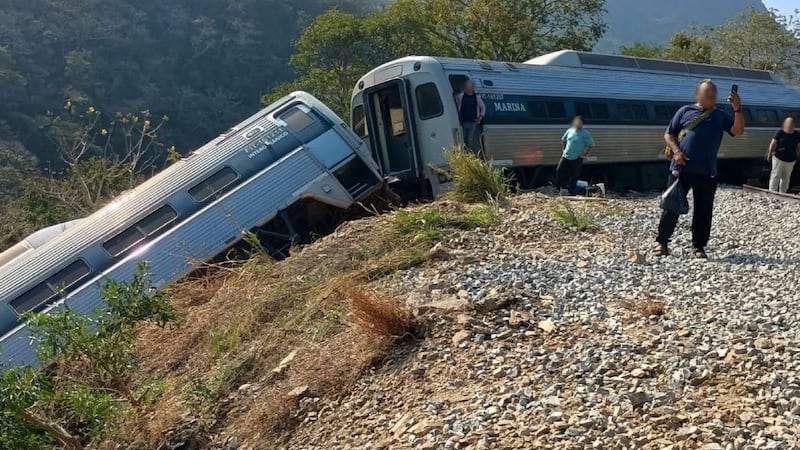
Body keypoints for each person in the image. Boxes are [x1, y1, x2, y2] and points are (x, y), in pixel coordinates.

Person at [654, 79, 745, 259]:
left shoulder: (720, 116)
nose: (712, 94)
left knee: (704, 210)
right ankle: (662, 243)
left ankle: (699, 246)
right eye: (707, 91)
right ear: (698, 94)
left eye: (714, 92)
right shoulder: (685, 111)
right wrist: (677, 151)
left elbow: (738, 130)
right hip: (681, 168)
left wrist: (737, 109)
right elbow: (669, 134)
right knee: (671, 206)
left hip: (707, 171)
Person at [557, 115, 595, 195]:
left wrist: (586, 154)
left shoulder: (585, 134)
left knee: (574, 175)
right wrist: (564, 150)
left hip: (577, 158)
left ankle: (571, 191)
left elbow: (591, 145)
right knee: (560, 171)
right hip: (566, 156)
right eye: (577, 122)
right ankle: (562, 188)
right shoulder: (570, 130)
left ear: (583, 124)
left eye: (580, 123)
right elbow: (563, 139)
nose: (578, 124)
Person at [767, 117, 800, 193]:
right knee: (775, 175)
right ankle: (772, 192)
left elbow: (798, 146)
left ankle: (783, 193)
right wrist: (769, 153)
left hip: (791, 159)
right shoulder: (780, 132)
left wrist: (798, 155)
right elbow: (773, 143)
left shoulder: (797, 134)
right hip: (778, 157)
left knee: (786, 177)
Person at [454, 80, 485, 152]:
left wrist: (480, 117)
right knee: (462, 138)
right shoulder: (461, 96)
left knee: (469, 139)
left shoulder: (477, 97)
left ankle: (468, 153)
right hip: (463, 121)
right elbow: (455, 99)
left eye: (470, 87)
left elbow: (483, 107)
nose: (469, 89)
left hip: (473, 122)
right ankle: (463, 153)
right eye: (467, 87)